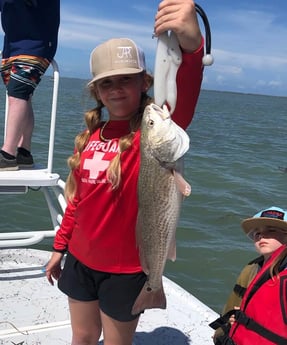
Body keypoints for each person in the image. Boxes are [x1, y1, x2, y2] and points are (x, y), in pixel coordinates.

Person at [45, 1, 204, 344]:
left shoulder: (151, 134)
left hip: (126, 271)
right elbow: (76, 201)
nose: (116, 89)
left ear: (144, 83)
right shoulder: (89, 137)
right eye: (107, 83)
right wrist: (60, 247)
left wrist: (192, 48)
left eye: (126, 80)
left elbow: (183, 97)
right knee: (83, 337)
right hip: (80, 260)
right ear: (97, 92)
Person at [210, 206, 287, 345]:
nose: (261, 236)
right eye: (257, 233)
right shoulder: (252, 268)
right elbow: (233, 306)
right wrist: (231, 321)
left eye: (271, 230)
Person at [0, 0, 60, 170]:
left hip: (35, 45)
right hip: (11, 48)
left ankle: (7, 154)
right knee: (23, 97)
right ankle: (24, 153)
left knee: (17, 94)